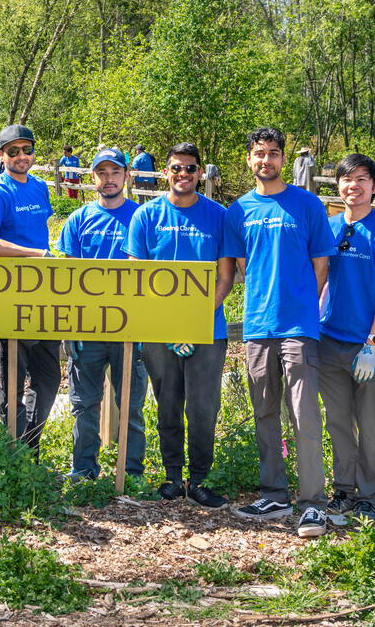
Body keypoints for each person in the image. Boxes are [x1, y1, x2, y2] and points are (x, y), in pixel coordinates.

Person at [221, 127, 335, 536]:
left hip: (299, 327)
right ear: (248, 160)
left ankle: (313, 504)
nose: (265, 160)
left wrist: (304, 306)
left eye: (272, 153)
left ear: (283, 159)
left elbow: (321, 267)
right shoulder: (238, 211)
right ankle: (274, 494)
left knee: (303, 413)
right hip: (257, 327)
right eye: (258, 154)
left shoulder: (307, 205)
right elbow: (237, 269)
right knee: (265, 413)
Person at [125, 142, 234, 508]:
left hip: (208, 330)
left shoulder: (219, 216)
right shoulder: (145, 217)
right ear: (165, 173)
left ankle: (201, 479)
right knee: (168, 404)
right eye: (176, 168)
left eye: (190, 168)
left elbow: (225, 278)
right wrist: (171, 326)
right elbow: (137, 279)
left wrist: (194, 322)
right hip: (159, 331)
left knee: (203, 407)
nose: (183, 175)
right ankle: (172, 477)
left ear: (200, 174)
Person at [317, 153, 375, 524]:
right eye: (346, 179)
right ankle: (343, 491)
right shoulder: (330, 227)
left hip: (369, 345)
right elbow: (320, 278)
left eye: (361, 179)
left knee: (369, 421)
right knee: (337, 420)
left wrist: (372, 343)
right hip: (329, 340)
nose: (353, 186)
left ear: (374, 186)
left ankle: (369, 495)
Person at [56, 147, 147, 481]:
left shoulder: (143, 217)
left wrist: (145, 330)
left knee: (132, 407)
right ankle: (83, 469)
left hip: (130, 329)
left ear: (126, 175)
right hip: (88, 329)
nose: (109, 179)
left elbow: (151, 278)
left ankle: (132, 472)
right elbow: (65, 279)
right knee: (84, 405)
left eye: (115, 172)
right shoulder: (78, 220)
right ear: (92, 178)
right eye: (102, 173)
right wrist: (71, 328)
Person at [0, 124, 60, 456]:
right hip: (9, 298)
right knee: (12, 385)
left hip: (43, 296)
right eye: (13, 151)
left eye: (27, 150)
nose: (21, 156)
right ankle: (14, 458)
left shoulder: (39, 187)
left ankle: (29, 447)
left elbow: (39, 233)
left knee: (49, 378)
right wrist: (36, 254)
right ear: (2, 155)